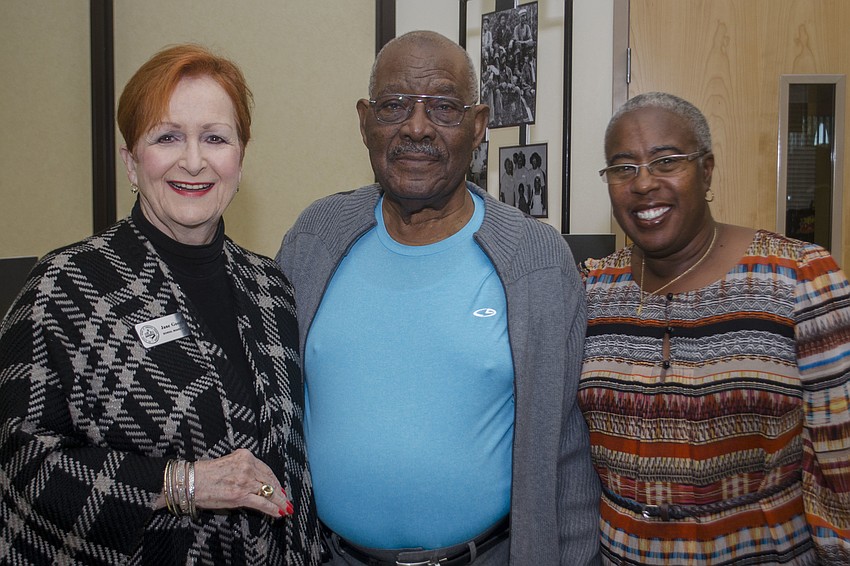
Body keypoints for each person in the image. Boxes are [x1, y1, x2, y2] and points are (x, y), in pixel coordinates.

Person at [277, 30, 599, 566]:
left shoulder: (537, 259)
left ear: (477, 127)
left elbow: (564, 449)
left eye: (443, 107)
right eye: (394, 105)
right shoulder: (314, 238)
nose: (417, 127)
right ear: (363, 122)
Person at [0, 44, 322, 565]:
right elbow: (21, 467)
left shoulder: (271, 289)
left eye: (215, 138)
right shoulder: (64, 288)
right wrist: (183, 483)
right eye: (168, 137)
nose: (193, 161)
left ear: (240, 158)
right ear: (131, 160)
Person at [579, 91, 850, 564]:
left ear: (706, 170)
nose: (643, 183)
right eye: (623, 167)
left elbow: (841, 461)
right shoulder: (589, 289)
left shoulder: (800, 279)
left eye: (667, 161)